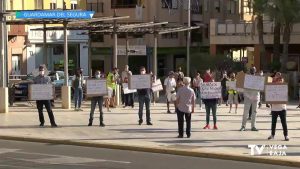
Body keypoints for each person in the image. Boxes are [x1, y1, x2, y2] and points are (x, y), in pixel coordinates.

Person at [268, 72, 289, 141]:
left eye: (279, 77)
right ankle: (272, 135)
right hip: (274, 108)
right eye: (277, 76)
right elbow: (269, 94)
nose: (278, 78)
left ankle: (286, 135)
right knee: (273, 123)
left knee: (284, 123)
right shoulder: (271, 86)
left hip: (282, 108)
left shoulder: (283, 86)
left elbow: (285, 96)